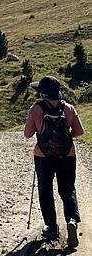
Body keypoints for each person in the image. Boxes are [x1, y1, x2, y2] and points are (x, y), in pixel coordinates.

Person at [25, 76, 84, 246]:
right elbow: (79, 131)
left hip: (43, 155)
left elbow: (28, 134)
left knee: (45, 190)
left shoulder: (35, 109)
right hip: (67, 154)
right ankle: (72, 220)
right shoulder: (68, 107)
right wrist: (64, 137)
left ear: (42, 93)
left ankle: (51, 227)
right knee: (67, 188)